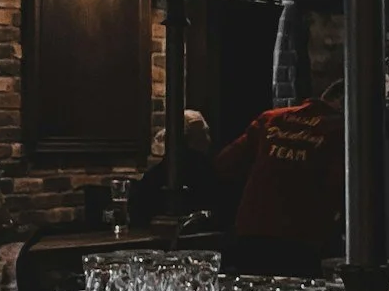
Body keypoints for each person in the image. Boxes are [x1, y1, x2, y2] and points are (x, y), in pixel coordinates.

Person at [214, 90, 345, 275]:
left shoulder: (271, 118)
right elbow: (340, 188)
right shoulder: (340, 129)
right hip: (301, 237)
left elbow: (225, 163)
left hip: (252, 229)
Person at [128, 110, 224, 228]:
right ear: (185, 139)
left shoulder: (156, 173)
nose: (208, 139)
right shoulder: (204, 171)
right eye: (204, 133)